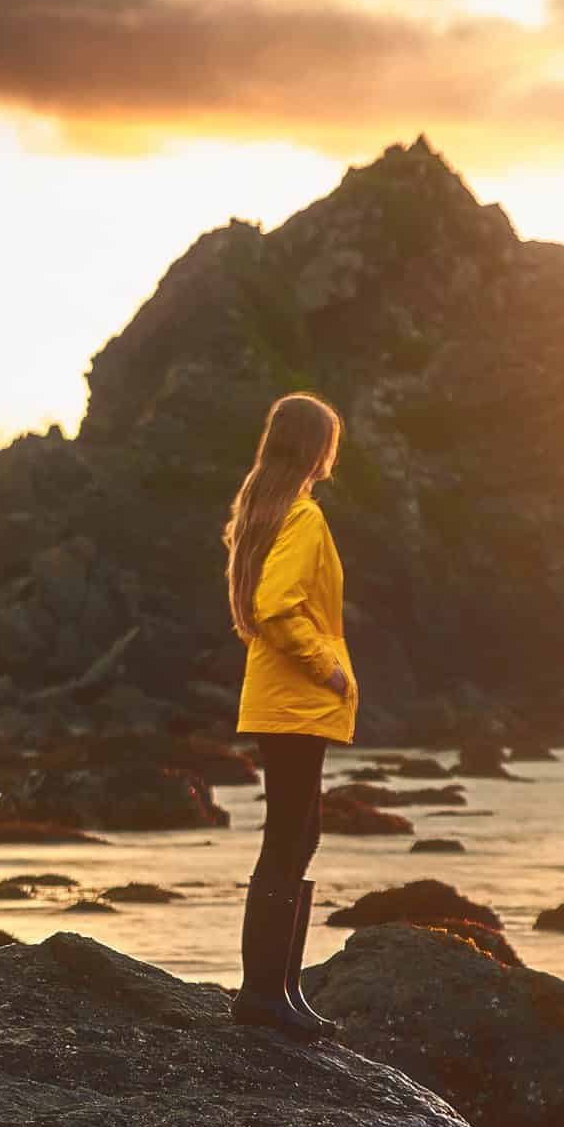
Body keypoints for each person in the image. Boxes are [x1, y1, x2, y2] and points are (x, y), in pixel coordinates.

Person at [222, 391, 356, 1037]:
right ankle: (261, 994)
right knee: (287, 840)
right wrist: (326, 667)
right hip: (294, 702)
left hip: (284, 702)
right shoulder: (300, 516)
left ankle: (284, 988)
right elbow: (277, 605)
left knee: (299, 837)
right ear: (315, 447)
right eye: (330, 440)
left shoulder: (269, 511)